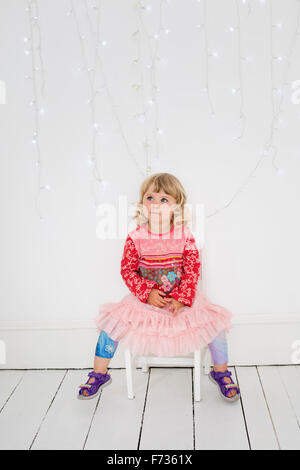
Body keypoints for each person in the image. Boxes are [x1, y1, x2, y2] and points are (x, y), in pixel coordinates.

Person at [78, 173, 240, 402]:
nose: (155, 204)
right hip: (147, 300)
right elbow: (127, 270)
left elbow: (193, 269)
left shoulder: (184, 235)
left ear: (177, 206)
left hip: (180, 300)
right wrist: (147, 293)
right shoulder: (136, 237)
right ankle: (99, 373)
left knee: (215, 324)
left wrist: (183, 298)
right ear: (142, 203)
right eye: (150, 197)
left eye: (164, 199)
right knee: (111, 324)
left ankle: (221, 372)